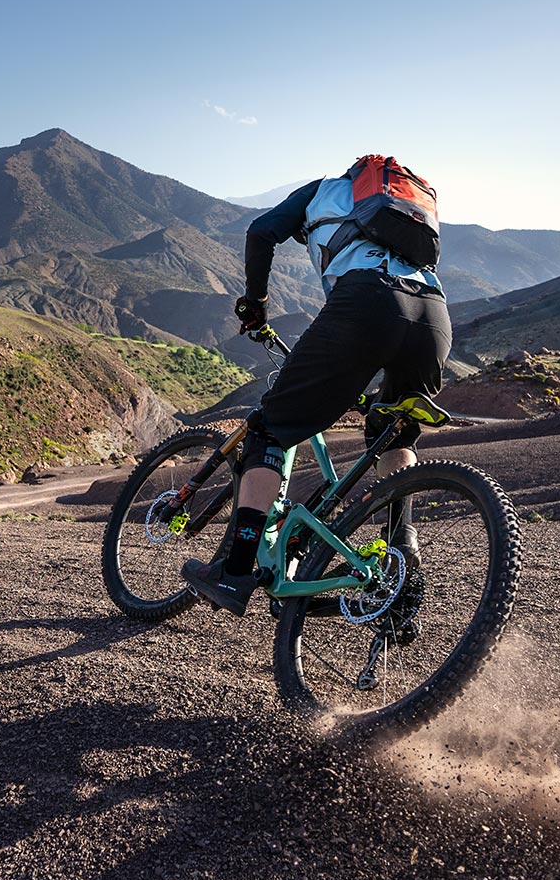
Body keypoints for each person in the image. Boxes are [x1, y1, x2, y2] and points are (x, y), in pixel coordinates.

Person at [181, 158, 451, 614]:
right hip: (434, 318)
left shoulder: (323, 189)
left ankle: (234, 570)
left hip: (367, 303)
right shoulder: (406, 213)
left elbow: (260, 232)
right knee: (395, 434)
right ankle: (402, 564)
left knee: (268, 430)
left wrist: (256, 303)